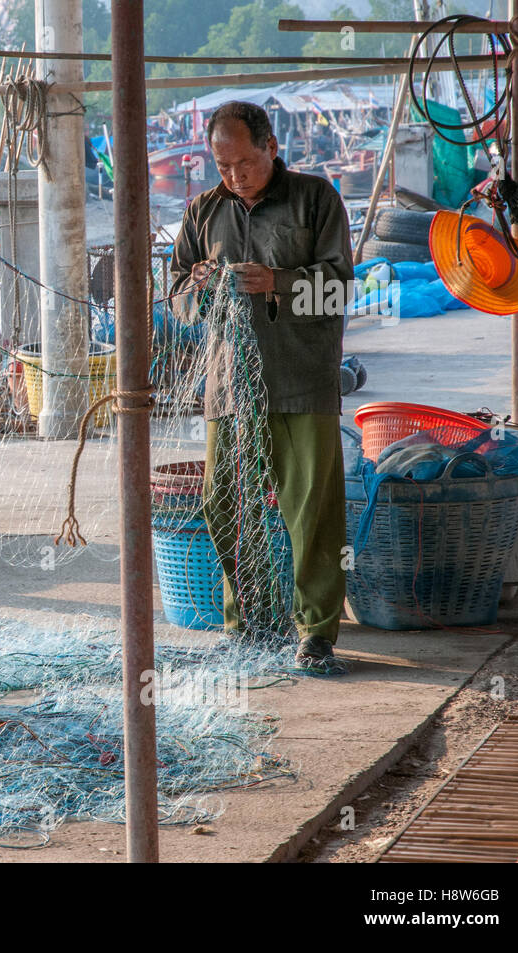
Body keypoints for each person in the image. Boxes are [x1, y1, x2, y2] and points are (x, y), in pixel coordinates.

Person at [168, 101, 353, 674]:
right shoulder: (203, 211)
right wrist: (194, 285)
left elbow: (341, 292)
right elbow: (178, 303)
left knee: (312, 513)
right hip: (230, 387)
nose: (235, 175)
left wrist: (278, 282)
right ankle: (250, 622)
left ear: (272, 147)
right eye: (222, 165)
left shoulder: (315, 199)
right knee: (225, 504)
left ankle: (316, 632)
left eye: (245, 162)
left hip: (302, 381)